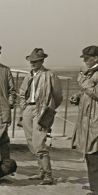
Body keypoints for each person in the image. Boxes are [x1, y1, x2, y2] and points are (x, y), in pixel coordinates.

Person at [70, 46, 98, 195]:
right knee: (89, 150)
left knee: (94, 150)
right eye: (84, 58)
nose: (85, 61)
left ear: (96, 58)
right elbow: (89, 92)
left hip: (95, 117)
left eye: (87, 58)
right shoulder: (92, 73)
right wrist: (78, 96)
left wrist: (83, 82)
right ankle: (94, 185)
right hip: (88, 117)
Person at [19, 48, 63, 185]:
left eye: (35, 61)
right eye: (31, 61)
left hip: (42, 110)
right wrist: (24, 106)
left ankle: (48, 175)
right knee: (31, 141)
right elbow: (22, 92)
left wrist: (49, 110)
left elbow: (58, 96)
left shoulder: (50, 75)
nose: (32, 64)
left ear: (42, 61)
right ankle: (41, 171)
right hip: (28, 109)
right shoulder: (29, 75)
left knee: (39, 143)